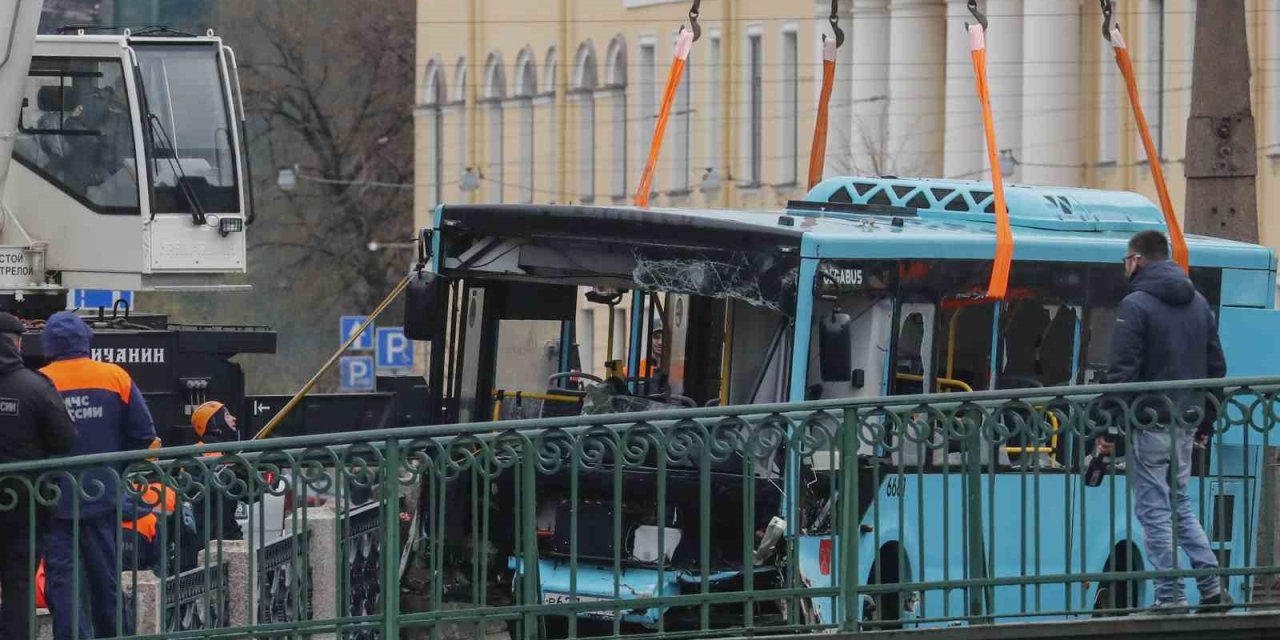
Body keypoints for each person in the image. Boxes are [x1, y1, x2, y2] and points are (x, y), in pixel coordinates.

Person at [1103, 230, 1230, 613]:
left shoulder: (1136, 304)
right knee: (1180, 505)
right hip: (1187, 422)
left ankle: (1170, 596)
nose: (1125, 266)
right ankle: (1212, 589)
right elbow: (1216, 368)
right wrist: (1205, 425)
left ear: (1137, 260)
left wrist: (1108, 430)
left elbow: (1121, 374)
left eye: (1126, 260)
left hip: (1150, 422)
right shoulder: (1199, 302)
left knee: (1154, 511)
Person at [39, 312, 158, 640]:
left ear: (48, 344)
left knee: (64, 587)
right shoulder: (114, 377)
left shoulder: (41, 381)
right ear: (86, 340)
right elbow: (144, 436)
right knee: (106, 582)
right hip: (104, 497)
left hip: (55, 504)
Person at [0, 313, 75, 640]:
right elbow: (65, 438)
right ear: (16, 343)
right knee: (19, 582)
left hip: (24, 499)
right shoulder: (36, 386)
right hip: (25, 501)